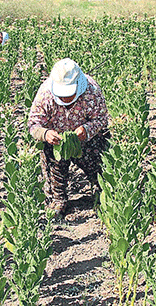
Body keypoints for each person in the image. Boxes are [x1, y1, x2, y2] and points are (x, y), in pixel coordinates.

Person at [27, 58, 111, 214]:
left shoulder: (92, 91)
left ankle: (101, 190)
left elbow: (102, 119)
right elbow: (33, 124)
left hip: (87, 141)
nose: (65, 99)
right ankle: (58, 199)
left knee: (100, 166)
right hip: (55, 142)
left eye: (69, 94)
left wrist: (87, 130)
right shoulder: (45, 94)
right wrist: (45, 134)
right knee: (54, 172)